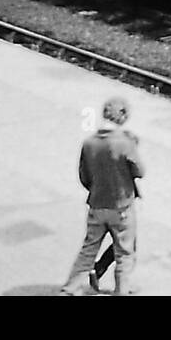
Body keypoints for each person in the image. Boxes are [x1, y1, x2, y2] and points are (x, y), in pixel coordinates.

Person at [60, 96, 145, 295]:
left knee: (88, 250)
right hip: (122, 206)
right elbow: (140, 171)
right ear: (123, 115)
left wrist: (97, 189)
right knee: (124, 252)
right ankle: (122, 290)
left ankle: (69, 290)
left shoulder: (89, 143)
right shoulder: (125, 143)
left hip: (96, 205)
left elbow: (84, 176)